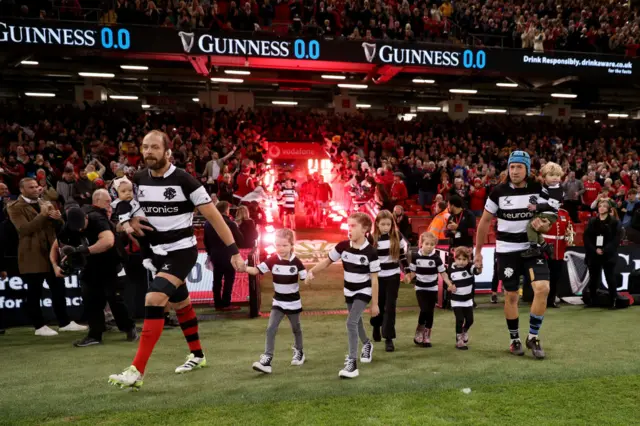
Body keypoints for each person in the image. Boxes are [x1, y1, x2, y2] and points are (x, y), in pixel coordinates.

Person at [108, 130, 244, 391]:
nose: (148, 151)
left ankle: (136, 370)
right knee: (181, 304)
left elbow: (216, 218)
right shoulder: (137, 179)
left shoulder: (186, 181)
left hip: (182, 251)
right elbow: (125, 211)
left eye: (155, 147)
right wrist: (129, 221)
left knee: (154, 298)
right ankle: (198, 356)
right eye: (145, 147)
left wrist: (234, 250)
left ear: (167, 152)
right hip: (157, 253)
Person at [475, 150, 551, 360]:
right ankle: (514, 338)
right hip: (507, 251)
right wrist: (478, 252)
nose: (515, 171)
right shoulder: (497, 192)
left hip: (532, 248)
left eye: (519, 167)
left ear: (527, 169)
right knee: (510, 296)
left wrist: (543, 224)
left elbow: (549, 217)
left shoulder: (538, 188)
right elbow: (484, 222)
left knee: (542, 288)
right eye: (512, 166)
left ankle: (533, 337)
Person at [51, 197, 138, 347]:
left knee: (114, 299)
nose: (79, 230)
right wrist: (56, 265)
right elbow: (57, 246)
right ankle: (95, 335)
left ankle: (129, 328)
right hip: (90, 266)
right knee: (91, 300)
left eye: (81, 226)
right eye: (75, 227)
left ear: (86, 217)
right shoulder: (68, 227)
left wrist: (83, 251)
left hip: (111, 263)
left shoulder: (97, 219)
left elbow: (108, 241)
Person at [7, 177, 87, 336]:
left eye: (36, 186)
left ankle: (64, 322)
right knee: (34, 291)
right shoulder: (14, 207)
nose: (36, 189)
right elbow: (24, 230)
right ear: (22, 189)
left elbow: (60, 228)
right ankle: (39, 326)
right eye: (31, 187)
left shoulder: (45, 202)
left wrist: (58, 219)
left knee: (59, 289)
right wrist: (43, 215)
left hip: (51, 251)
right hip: (31, 253)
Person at [306, 212, 380, 379]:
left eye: (353, 226)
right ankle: (367, 344)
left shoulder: (371, 252)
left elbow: (374, 280)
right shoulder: (342, 246)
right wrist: (312, 271)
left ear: (365, 229)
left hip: (364, 292)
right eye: (348, 226)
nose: (349, 229)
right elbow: (327, 261)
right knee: (357, 322)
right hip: (349, 291)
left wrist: (375, 304)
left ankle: (352, 364)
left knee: (351, 322)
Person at [244, 229, 308, 374]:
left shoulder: (297, 262)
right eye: (278, 245)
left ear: (292, 245)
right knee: (270, 328)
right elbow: (256, 271)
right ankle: (267, 359)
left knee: (296, 329)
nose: (281, 248)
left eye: (284, 245)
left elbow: (305, 279)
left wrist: (309, 278)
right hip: (278, 302)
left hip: (293, 303)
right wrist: (243, 268)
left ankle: (299, 352)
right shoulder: (272, 259)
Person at [405, 231, 453, 347]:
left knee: (430, 311)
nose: (429, 247)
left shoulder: (436, 258)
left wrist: (450, 284)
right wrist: (407, 278)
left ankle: (427, 334)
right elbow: (412, 273)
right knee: (424, 309)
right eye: (427, 244)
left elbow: (443, 273)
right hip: (420, 288)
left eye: (432, 244)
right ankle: (419, 329)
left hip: (432, 288)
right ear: (421, 244)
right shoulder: (416, 257)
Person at [370, 210, 409, 352]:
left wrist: (408, 271)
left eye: (388, 224)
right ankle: (376, 326)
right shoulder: (372, 238)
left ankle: (388, 338)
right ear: (377, 224)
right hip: (377, 278)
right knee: (378, 304)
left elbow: (403, 256)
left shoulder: (397, 236)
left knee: (390, 306)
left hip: (393, 276)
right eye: (383, 224)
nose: (386, 227)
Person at [204, 201, 244, 311]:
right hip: (229, 255)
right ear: (226, 210)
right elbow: (241, 240)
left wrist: (209, 253)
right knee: (228, 280)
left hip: (214, 255)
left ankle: (217, 303)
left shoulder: (208, 223)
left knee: (216, 280)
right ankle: (226, 303)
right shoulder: (230, 223)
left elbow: (205, 241)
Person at [583, 199, 622, 308]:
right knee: (594, 278)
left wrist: (605, 250)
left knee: (610, 277)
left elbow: (616, 239)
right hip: (594, 254)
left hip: (608, 254)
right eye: (600, 206)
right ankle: (593, 300)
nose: (602, 208)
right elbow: (587, 237)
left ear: (609, 208)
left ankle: (613, 300)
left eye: (604, 206)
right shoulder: (592, 221)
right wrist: (595, 249)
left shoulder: (614, 222)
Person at [523, 162, 564, 258]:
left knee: (530, 226)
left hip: (548, 213)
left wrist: (536, 207)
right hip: (546, 212)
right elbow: (546, 195)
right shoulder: (549, 186)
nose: (555, 178)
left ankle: (533, 248)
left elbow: (552, 205)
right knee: (536, 229)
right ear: (545, 177)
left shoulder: (557, 189)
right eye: (552, 175)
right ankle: (546, 247)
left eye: (557, 175)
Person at [449, 246, 481, 350]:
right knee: (459, 319)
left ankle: (464, 330)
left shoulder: (469, 267)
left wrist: (479, 267)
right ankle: (459, 340)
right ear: (455, 259)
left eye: (464, 259)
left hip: (467, 300)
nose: (461, 262)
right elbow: (446, 282)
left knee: (470, 320)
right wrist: (449, 286)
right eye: (459, 259)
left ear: (468, 259)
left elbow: (476, 271)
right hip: (456, 300)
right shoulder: (451, 269)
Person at [542, 208, 573, 308]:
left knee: (555, 276)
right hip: (546, 247)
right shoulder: (544, 212)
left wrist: (570, 233)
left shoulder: (564, 213)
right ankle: (541, 300)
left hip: (559, 249)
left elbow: (570, 226)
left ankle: (551, 300)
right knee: (543, 277)